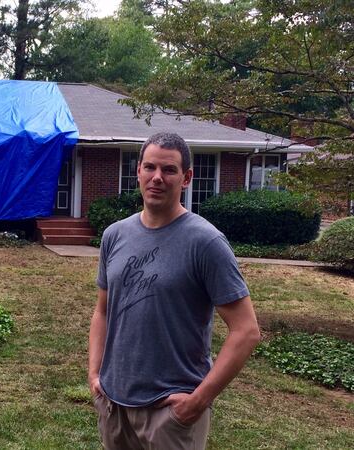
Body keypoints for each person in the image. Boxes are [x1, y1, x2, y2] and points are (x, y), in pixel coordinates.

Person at [88, 133, 260, 449]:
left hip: (169, 413)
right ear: (137, 170)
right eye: (149, 167)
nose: (157, 178)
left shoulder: (205, 242)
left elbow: (246, 331)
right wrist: (95, 374)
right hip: (114, 404)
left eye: (168, 170)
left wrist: (198, 401)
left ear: (186, 178)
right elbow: (102, 310)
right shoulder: (114, 235)